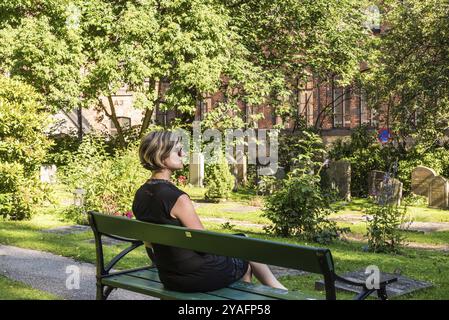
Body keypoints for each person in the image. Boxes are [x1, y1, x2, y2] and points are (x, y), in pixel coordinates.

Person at [132, 131, 287, 293]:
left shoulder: (140, 194)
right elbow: (203, 245)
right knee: (246, 248)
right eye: (178, 151)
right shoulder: (178, 198)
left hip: (170, 276)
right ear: (162, 156)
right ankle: (282, 292)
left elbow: (150, 246)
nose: (183, 154)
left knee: (241, 243)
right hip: (196, 276)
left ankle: (279, 290)